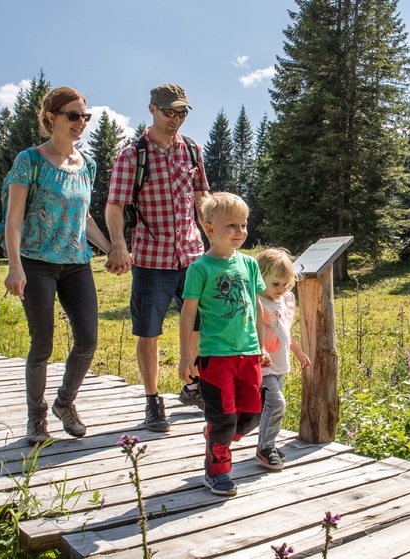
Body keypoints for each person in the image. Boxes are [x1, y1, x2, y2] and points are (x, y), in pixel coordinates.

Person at [3, 86, 113, 445]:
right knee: (42, 344)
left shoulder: (88, 165)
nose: (81, 122)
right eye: (73, 115)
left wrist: (111, 248)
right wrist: (15, 266)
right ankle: (36, 419)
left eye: (85, 116)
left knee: (88, 339)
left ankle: (65, 403)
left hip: (76, 263)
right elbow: (13, 219)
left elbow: (86, 219)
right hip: (36, 263)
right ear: (52, 118)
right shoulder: (30, 161)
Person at [104, 83, 209, 432]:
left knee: (200, 324)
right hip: (151, 258)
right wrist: (119, 246)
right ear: (152, 109)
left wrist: (217, 243)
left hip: (192, 256)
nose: (175, 119)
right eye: (169, 112)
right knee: (149, 331)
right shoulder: (132, 155)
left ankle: (193, 386)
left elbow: (202, 200)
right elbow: (115, 205)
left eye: (181, 113)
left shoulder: (192, 151)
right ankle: (152, 401)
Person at [179, 192, 269, 496]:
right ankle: (217, 471)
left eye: (243, 225)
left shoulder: (249, 265)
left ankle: (217, 432)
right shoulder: (200, 269)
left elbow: (255, 306)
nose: (240, 232)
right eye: (232, 226)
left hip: (249, 354)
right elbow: (188, 312)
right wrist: (184, 357)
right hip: (215, 357)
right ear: (209, 229)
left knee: (252, 414)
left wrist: (262, 345)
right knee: (224, 417)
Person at [254, 248, 311, 470]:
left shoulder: (283, 301)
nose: (281, 289)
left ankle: (267, 443)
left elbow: (284, 331)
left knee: (265, 408)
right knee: (277, 404)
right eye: (276, 284)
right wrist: (259, 350)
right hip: (263, 367)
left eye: (285, 284)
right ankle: (265, 448)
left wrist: (297, 351)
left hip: (279, 366)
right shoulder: (257, 302)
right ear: (260, 278)